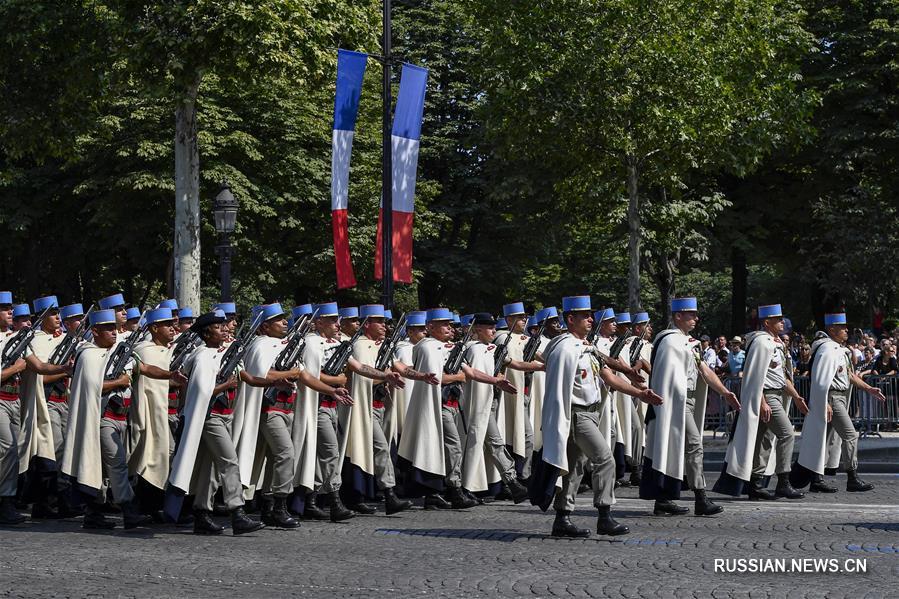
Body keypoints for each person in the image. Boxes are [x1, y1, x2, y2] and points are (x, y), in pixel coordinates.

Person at [529, 295, 662, 538]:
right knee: (605, 459)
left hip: (590, 414)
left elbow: (608, 377)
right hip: (575, 415)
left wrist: (641, 393)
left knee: (574, 468)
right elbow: (559, 388)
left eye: (590, 315)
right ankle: (604, 514)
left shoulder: (586, 347)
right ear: (571, 319)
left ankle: (562, 518)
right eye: (584, 316)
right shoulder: (565, 347)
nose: (591, 319)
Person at [166, 309, 266, 535]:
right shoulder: (202, 356)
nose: (224, 330)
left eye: (223, 327)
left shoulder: (221, 354)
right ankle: (237, 511)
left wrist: (276, 382)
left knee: (208, 468)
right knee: (229, 461)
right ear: (206, 333)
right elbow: (201, 390)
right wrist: (224, 386)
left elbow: (247, 378)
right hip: (210, 417)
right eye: (218, 328)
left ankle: (201, 513)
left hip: (222, 415)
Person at [639, 297, 740, 517]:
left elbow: (703, 369)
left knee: (674, 449)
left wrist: (724, 391)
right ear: (677, 316)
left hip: (689, 400)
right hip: (676, 402)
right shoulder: (669, 340)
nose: (696, 318)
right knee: (694, 445)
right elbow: (666, 377)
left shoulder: (687, 342)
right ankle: (700, 497)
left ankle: (663, 498)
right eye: (691, 314)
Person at [340, 304, 436, 515]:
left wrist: (421, 376)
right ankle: (389, 494)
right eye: (379, 321)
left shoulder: (380, 344)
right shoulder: (359, 345)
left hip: (380, 404)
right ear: (367, 324)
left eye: (385, 321)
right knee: (378, 448)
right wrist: (384, 376)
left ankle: (359, 495)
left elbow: (398, 367)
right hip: (362, 405)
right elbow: (365, 372)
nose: (384, 325)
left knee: (373, 450)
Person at [712, 304, 806, 501]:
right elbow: (755, 377)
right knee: (787, 433)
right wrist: (762, 400)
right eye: (777, 319)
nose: (782, 322)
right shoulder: (762, 343)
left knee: (761, 440)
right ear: (767, 322)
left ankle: (755, 483)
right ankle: (783, 482)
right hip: (767, 397)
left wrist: (796, 396)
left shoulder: (775, 344)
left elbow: (782, 377)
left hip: (776, 394)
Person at [789, 313, 886, 493]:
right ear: (832, 329)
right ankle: (852, 477)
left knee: (823, 440)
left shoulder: (837, 349)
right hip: (832, 398)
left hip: (838, 397)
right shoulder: (828, 349)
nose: (846, 330)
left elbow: (848, 375)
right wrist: (824, 401)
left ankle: (816, 480)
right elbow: (819, 380)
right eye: (842, 327)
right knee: (850, 435)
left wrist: (868, 388)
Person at [460, 312, 541, 502]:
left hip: (488, 402)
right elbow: (473, 373)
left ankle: (502, 484)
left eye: (494, 327)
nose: (493, 331)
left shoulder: (491, 348)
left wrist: (542, 366)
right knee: (488, 443)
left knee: (492, 444)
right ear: (478, 329)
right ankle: (509, 482)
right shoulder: (472, 349)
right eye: (489, 328)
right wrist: (496, 381)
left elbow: (516, 364)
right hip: (475, 405)